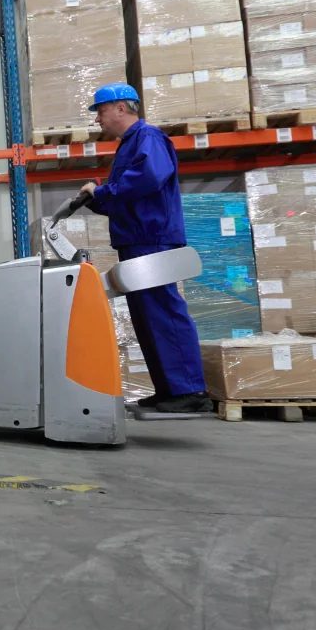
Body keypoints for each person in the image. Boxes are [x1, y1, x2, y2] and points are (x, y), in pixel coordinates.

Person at [78, 83, 211, 414]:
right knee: (147, 317)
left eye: (101, 111)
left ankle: (191, 391)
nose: (98, 119)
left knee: (163, 312)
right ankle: (169, 390)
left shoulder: (148, 137)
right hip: (136, 240)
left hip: (153, 239)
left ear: (121, 108)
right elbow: (126, 199)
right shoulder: (128, 146)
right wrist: (96, 200)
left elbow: (148, 179)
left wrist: (103, 191)